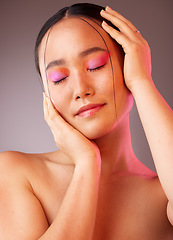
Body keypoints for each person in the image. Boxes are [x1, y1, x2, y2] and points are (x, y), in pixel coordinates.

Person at [0, 3, 173, 239]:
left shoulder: (163, 195)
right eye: (59, 78)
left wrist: (142, 81)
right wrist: (86, 162)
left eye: (96, 65)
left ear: (129, 65)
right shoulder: (15, 173)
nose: (81, 90)